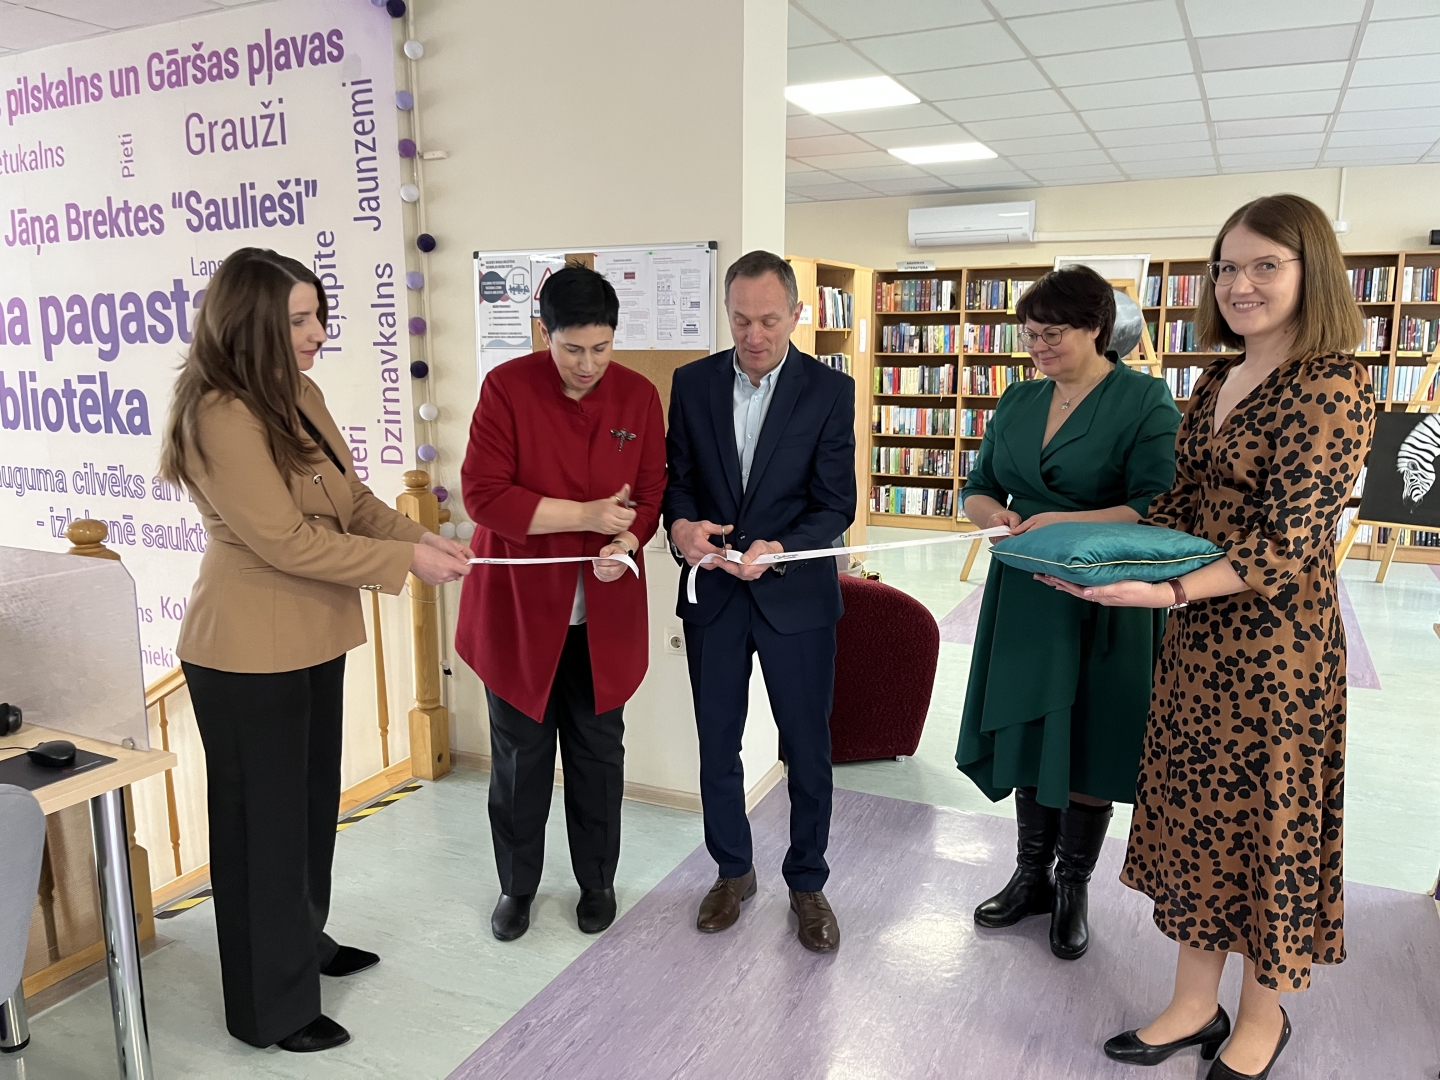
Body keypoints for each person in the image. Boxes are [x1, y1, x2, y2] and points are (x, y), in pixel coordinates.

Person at [1039, 195, 1372, 1079]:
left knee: (1267, 828)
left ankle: (1263, 1017)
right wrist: (1097, 560)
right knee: (1200, 821)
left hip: (1278, 652)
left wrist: (1169, 590)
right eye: (1226, 267)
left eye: (1266, 265)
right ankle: (1194, 1004)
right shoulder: (1216, 381)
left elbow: (1288, 542)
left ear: (1311, 272)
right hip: (1198, 643)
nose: (1239, 284)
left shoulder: (1334, 383)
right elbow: (1180, 507)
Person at [160, 248, 472, 1053]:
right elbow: (288, 542)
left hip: (311, 633)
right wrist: (406, 562)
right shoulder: (220, 414)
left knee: (305, 812)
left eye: (318, 316)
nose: (318, 333)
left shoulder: (298, 393)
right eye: (299, 320)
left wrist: (422, 539)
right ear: (250, 322)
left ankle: (301, 941)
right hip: (246, 649)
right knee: (261, 832)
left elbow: (352, 502)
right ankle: (270, 1009)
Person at [956, 265, 1181, 961]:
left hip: (1104, 595)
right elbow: (978, 486)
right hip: (1026, 592)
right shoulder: (1019, 398)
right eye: (1030, 335)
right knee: (1029, 727)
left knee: (1089, 739)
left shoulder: (1144, 400)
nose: (1039, 348)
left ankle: (1072, 884)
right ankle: (1030, 876)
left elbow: (1156, 505)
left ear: (1097, 328)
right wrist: (993, 518)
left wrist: (1063, 523)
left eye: (1053, 334)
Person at [456, 264, 666, 943]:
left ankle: (597, 881)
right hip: (519, 612)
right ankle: (516, 886)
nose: (587, 364)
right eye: (572, 348)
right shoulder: (506, 388)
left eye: (601, 348)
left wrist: (626, 539)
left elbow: (651, 496)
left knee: (598, 755)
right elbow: (484, 495)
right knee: (520, 758)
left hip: (602, 615)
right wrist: (587, 515)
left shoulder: (637, 397)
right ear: (543, 333)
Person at [663, 250, 856, 953]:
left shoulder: (829, 391)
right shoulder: (692, 384)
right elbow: (677, 483)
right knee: (717, 742)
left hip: (794, 597)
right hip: (715, 595)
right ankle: (732, 871)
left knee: (807, 747)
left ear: (797, 314)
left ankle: (807, 882)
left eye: (769, 320)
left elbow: (836, 503)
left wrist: (781, 547)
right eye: (741, 319)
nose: (754, 335)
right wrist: (681, 528)